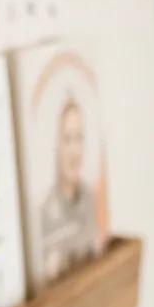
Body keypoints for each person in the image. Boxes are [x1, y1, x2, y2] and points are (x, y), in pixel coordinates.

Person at [40, 97, 99, 281]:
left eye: (79, 138)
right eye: (67, 139)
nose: (75, 150)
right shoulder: (45, 214)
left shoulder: (90, 199)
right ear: (56, 146)